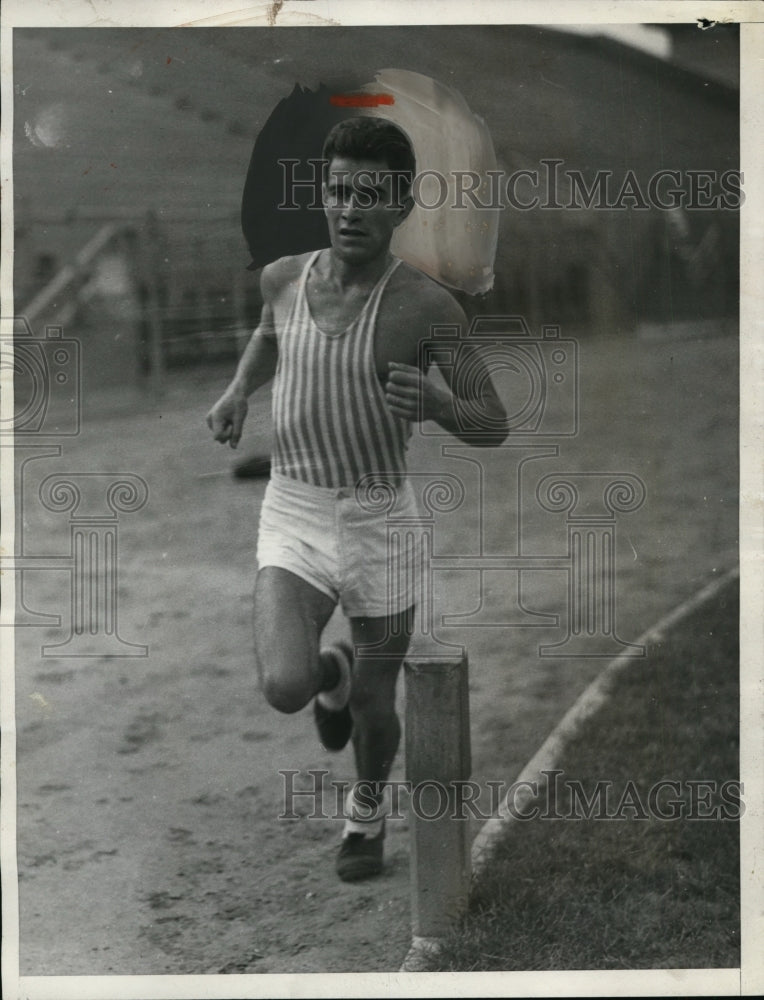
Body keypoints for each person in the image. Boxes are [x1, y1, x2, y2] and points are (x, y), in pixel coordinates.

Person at [207, 117, 508, 881]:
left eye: (371, 196)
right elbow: (273, 335)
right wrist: (240, 389)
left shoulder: (428, 309)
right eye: (339, 191)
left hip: (381, 520)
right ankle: (326, 678)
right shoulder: (283, 278)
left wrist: (439, 406)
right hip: (297, 514)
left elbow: (492, 422)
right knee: (284, 685)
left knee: (379, 706)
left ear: (402, 204)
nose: (350, 210)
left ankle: (365, 815)